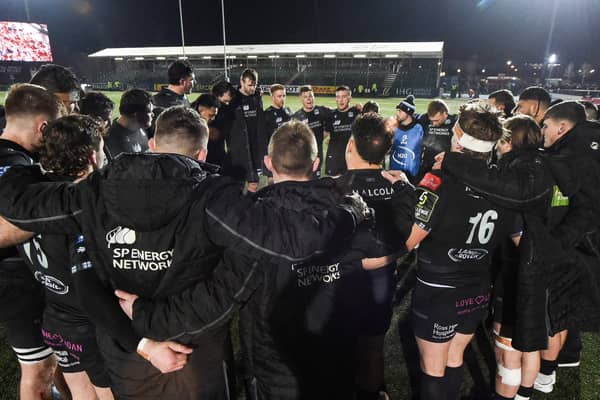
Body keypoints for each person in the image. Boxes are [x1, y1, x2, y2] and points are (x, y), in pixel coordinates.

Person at [0, 106, 367, 400]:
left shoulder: (95, 191)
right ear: (202, 152)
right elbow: (295, 242)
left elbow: (17, 204)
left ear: (152, 142)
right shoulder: (214, 198)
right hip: (195, 356)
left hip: (131, 357)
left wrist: (15, 157)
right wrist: (350, 209)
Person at [117, 120, 401, 400]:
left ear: (268, 163)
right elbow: (383, 254)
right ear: (316, 164)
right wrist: (401, 188)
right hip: (336, 359)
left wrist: (146, 318)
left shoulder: (250, 221)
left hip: (276, 369)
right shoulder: (349, 208)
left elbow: (219, 297)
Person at [436, 101, 600, 396]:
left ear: (562, 128)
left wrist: (453, 162)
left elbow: (519, 194)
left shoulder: (547, 163)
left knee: (511, 343)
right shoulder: (572, 155)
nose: (544, 131)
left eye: (547, 126)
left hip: (540, 264)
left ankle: (514, 393)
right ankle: (539, 381)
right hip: (568, 258)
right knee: (550, 324)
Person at [387, 102, 522, 400]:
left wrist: (403, 195)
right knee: (454, 358)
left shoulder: (439, 182)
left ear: (458, 135)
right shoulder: (503, 185)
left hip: (439, 291)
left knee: (434, 367)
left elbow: (409, 239)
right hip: (477, 288)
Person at [24, 115, 114, 399]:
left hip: (55, 319)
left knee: (81, 394)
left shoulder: (31, 197)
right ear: (92, 155)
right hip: (88, 324)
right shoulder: (81, 205)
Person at [338, 113, 416, 400]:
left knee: (339, 345)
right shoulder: (400, 189)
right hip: (380, 286)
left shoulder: (332, 188)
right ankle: (373, 393)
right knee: (373, 346)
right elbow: (408, 234)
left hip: (339, 286)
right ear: (387, 151)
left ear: (350, 144)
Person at [0, 83, 67, 400]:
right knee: (38, 372)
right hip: (15, 284)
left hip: (19, 282)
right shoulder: (16, 167)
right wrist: (68, 208)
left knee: (51, 364)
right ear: (44, 126)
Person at [227, 69, 267, 191]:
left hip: (254, 149)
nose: (253, 88)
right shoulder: (233, 99)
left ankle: (250, 205)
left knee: (254, 184)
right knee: (237, 185)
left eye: (255, 85)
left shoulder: (256, 97)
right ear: (242, 82)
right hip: (238, 149)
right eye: (250, 85)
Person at [292, 85, 332, 175]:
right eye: (305, 97)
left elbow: (339, 115)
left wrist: (357, 108)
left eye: (310, 96)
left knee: (315, 182)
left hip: (318, 156)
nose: (309, 99)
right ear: (300, 99)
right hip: (302, 157)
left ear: (314, 97)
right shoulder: (296, 117)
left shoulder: (322, 111)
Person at [104, 88, 152, 159]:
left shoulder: (140, 127)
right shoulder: (112, 139)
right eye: (149, 112)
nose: (153, 114)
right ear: (136, 113)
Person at [324, 85, 360, 176]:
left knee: (350, 186)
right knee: (333, 186)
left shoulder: (357, 113)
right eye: (338, 97)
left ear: (350, 98)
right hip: (334, 157)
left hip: (351, 157)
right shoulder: (331, 115)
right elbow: (324, 134)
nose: (340, 100)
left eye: (344, 97)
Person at [417, 99, 457, 181]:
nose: (434, 124)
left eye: (436, 120)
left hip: (445, 166)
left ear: (445, 114)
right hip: (427, 165)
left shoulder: (455, 122)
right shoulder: (424, 119)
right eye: (432, 121)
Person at [390, 95, 425, 182]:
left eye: (400, 111)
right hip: (394, 175)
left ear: (408, 112)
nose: (397, 113)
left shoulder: (420, 128)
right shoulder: (394, 127)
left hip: (413, 176)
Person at [209, 81, 236, 166]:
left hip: (220, 153)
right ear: (217, 96)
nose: (227, 105)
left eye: (229, 102)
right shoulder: (205, 109)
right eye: (225, 101)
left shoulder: (227, 111)